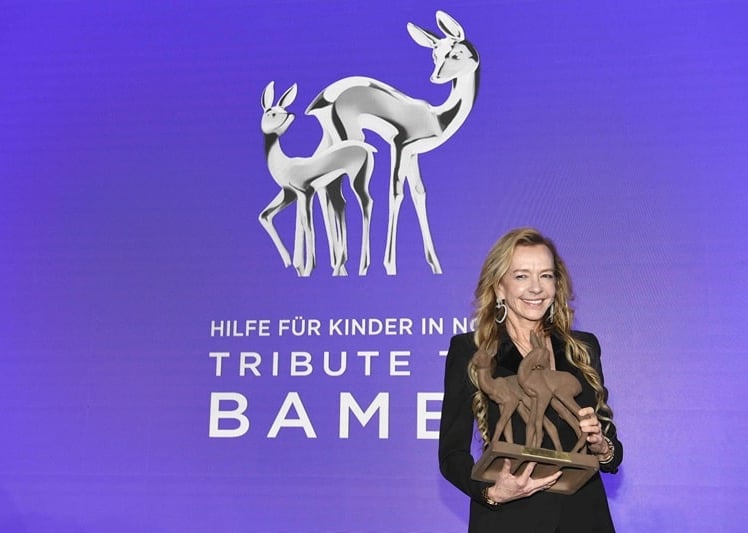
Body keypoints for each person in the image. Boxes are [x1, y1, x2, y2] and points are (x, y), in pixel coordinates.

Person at [439, 227, 623, 532]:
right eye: (522, 276)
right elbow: (451, 454)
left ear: (556, 284)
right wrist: (491, 493)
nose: (536, 288)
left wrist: (604, 447)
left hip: (584, 519)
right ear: (499, 287)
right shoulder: (471, 351)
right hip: (508, 520)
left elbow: (611, 452)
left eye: (546, 275)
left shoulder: (582, 348)